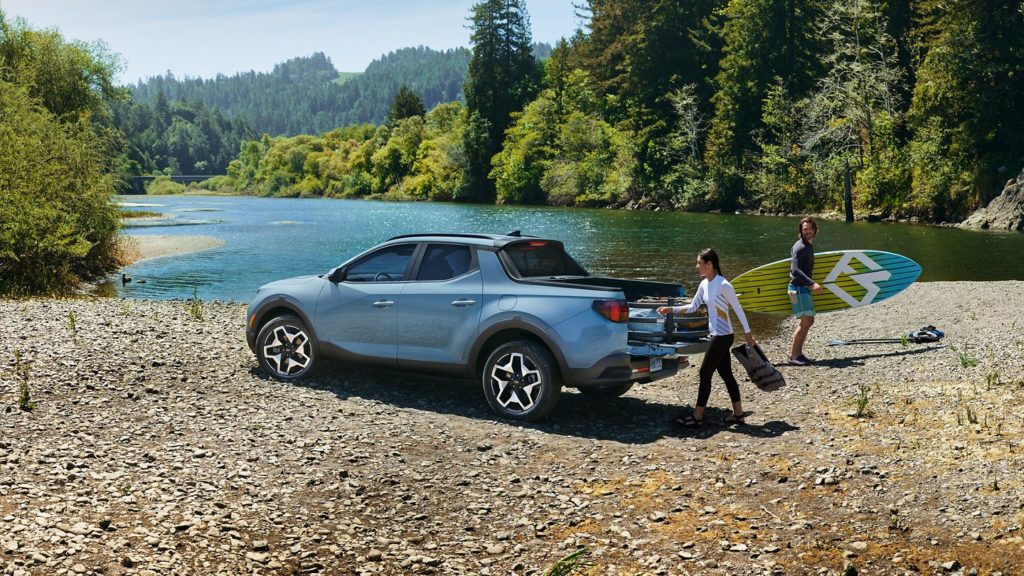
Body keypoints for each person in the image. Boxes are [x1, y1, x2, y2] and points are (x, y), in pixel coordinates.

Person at [657, 248, 755, 427]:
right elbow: (693, 307)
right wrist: (671, 310)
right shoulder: (704, 284)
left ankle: (698, 415)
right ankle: (738, 414)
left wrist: (748, 333)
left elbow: (738, 309)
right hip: (716, 334)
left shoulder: (724, 285)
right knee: (726, 374)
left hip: (724, 336)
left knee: (704, 372)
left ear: (710, 264)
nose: (697, 267)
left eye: (699, 263)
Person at [788, 217, 821, 365]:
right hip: (797, 289)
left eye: (810, 229)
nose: (808, 231)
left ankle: (797, 354)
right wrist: (812, 283)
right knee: (806, 321)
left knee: (808, 321)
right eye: (805, 229)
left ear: (814, 229)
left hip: (801, 289)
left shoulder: (807, 245)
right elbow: (795, 270)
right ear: (801, 231)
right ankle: (795, 356)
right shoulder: (800, 246)